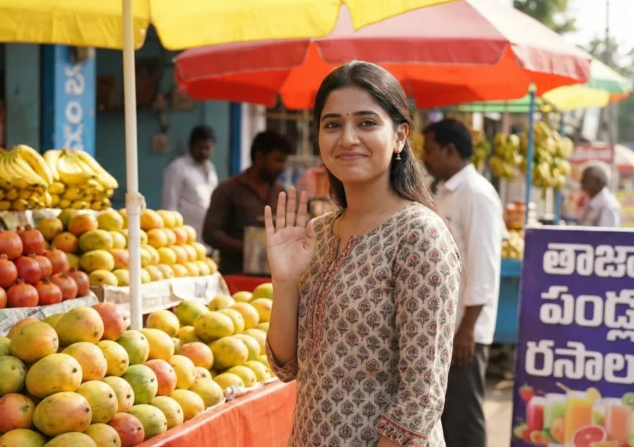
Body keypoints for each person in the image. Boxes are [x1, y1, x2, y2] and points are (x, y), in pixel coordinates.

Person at [264, 61, 461, 447]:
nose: (348, 138)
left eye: (367, 123)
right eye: (333, 124)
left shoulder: (419, 235)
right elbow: (285, 366)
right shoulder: (317, 233)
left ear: (400, 136)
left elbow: (421, 397)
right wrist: (285, 281)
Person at [422, 118, 505, 447]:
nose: (425, 158)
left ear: (449, 149)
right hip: (445, 326)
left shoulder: (477, 194)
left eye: (429, 150)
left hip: (464, 329)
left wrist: (467, 329)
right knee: (446, 418)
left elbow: (484, 266)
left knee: (464, 420)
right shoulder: (444, 190)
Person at [202, 130, 293, 274]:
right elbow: (210, 233)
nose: (283, 167)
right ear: (259, 158)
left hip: (274, 278)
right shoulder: (228, 189)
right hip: (235, 276)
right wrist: (249, 246)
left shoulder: (280, 192)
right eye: (278, 160)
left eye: (284, 161)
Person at [160, 125, 219, 243]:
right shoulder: (177, 168)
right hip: (184, 239)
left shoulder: (211, 169)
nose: (203, 152)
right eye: (200, 148)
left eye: (207, 148)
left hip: (207, 238)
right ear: (190, 146)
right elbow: (169, 206)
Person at [580, 161, 621, 227]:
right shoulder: (591, 202)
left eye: (585, 178)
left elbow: (607, 235)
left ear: (597, 181)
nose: (581, 182)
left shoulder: (609, 205)